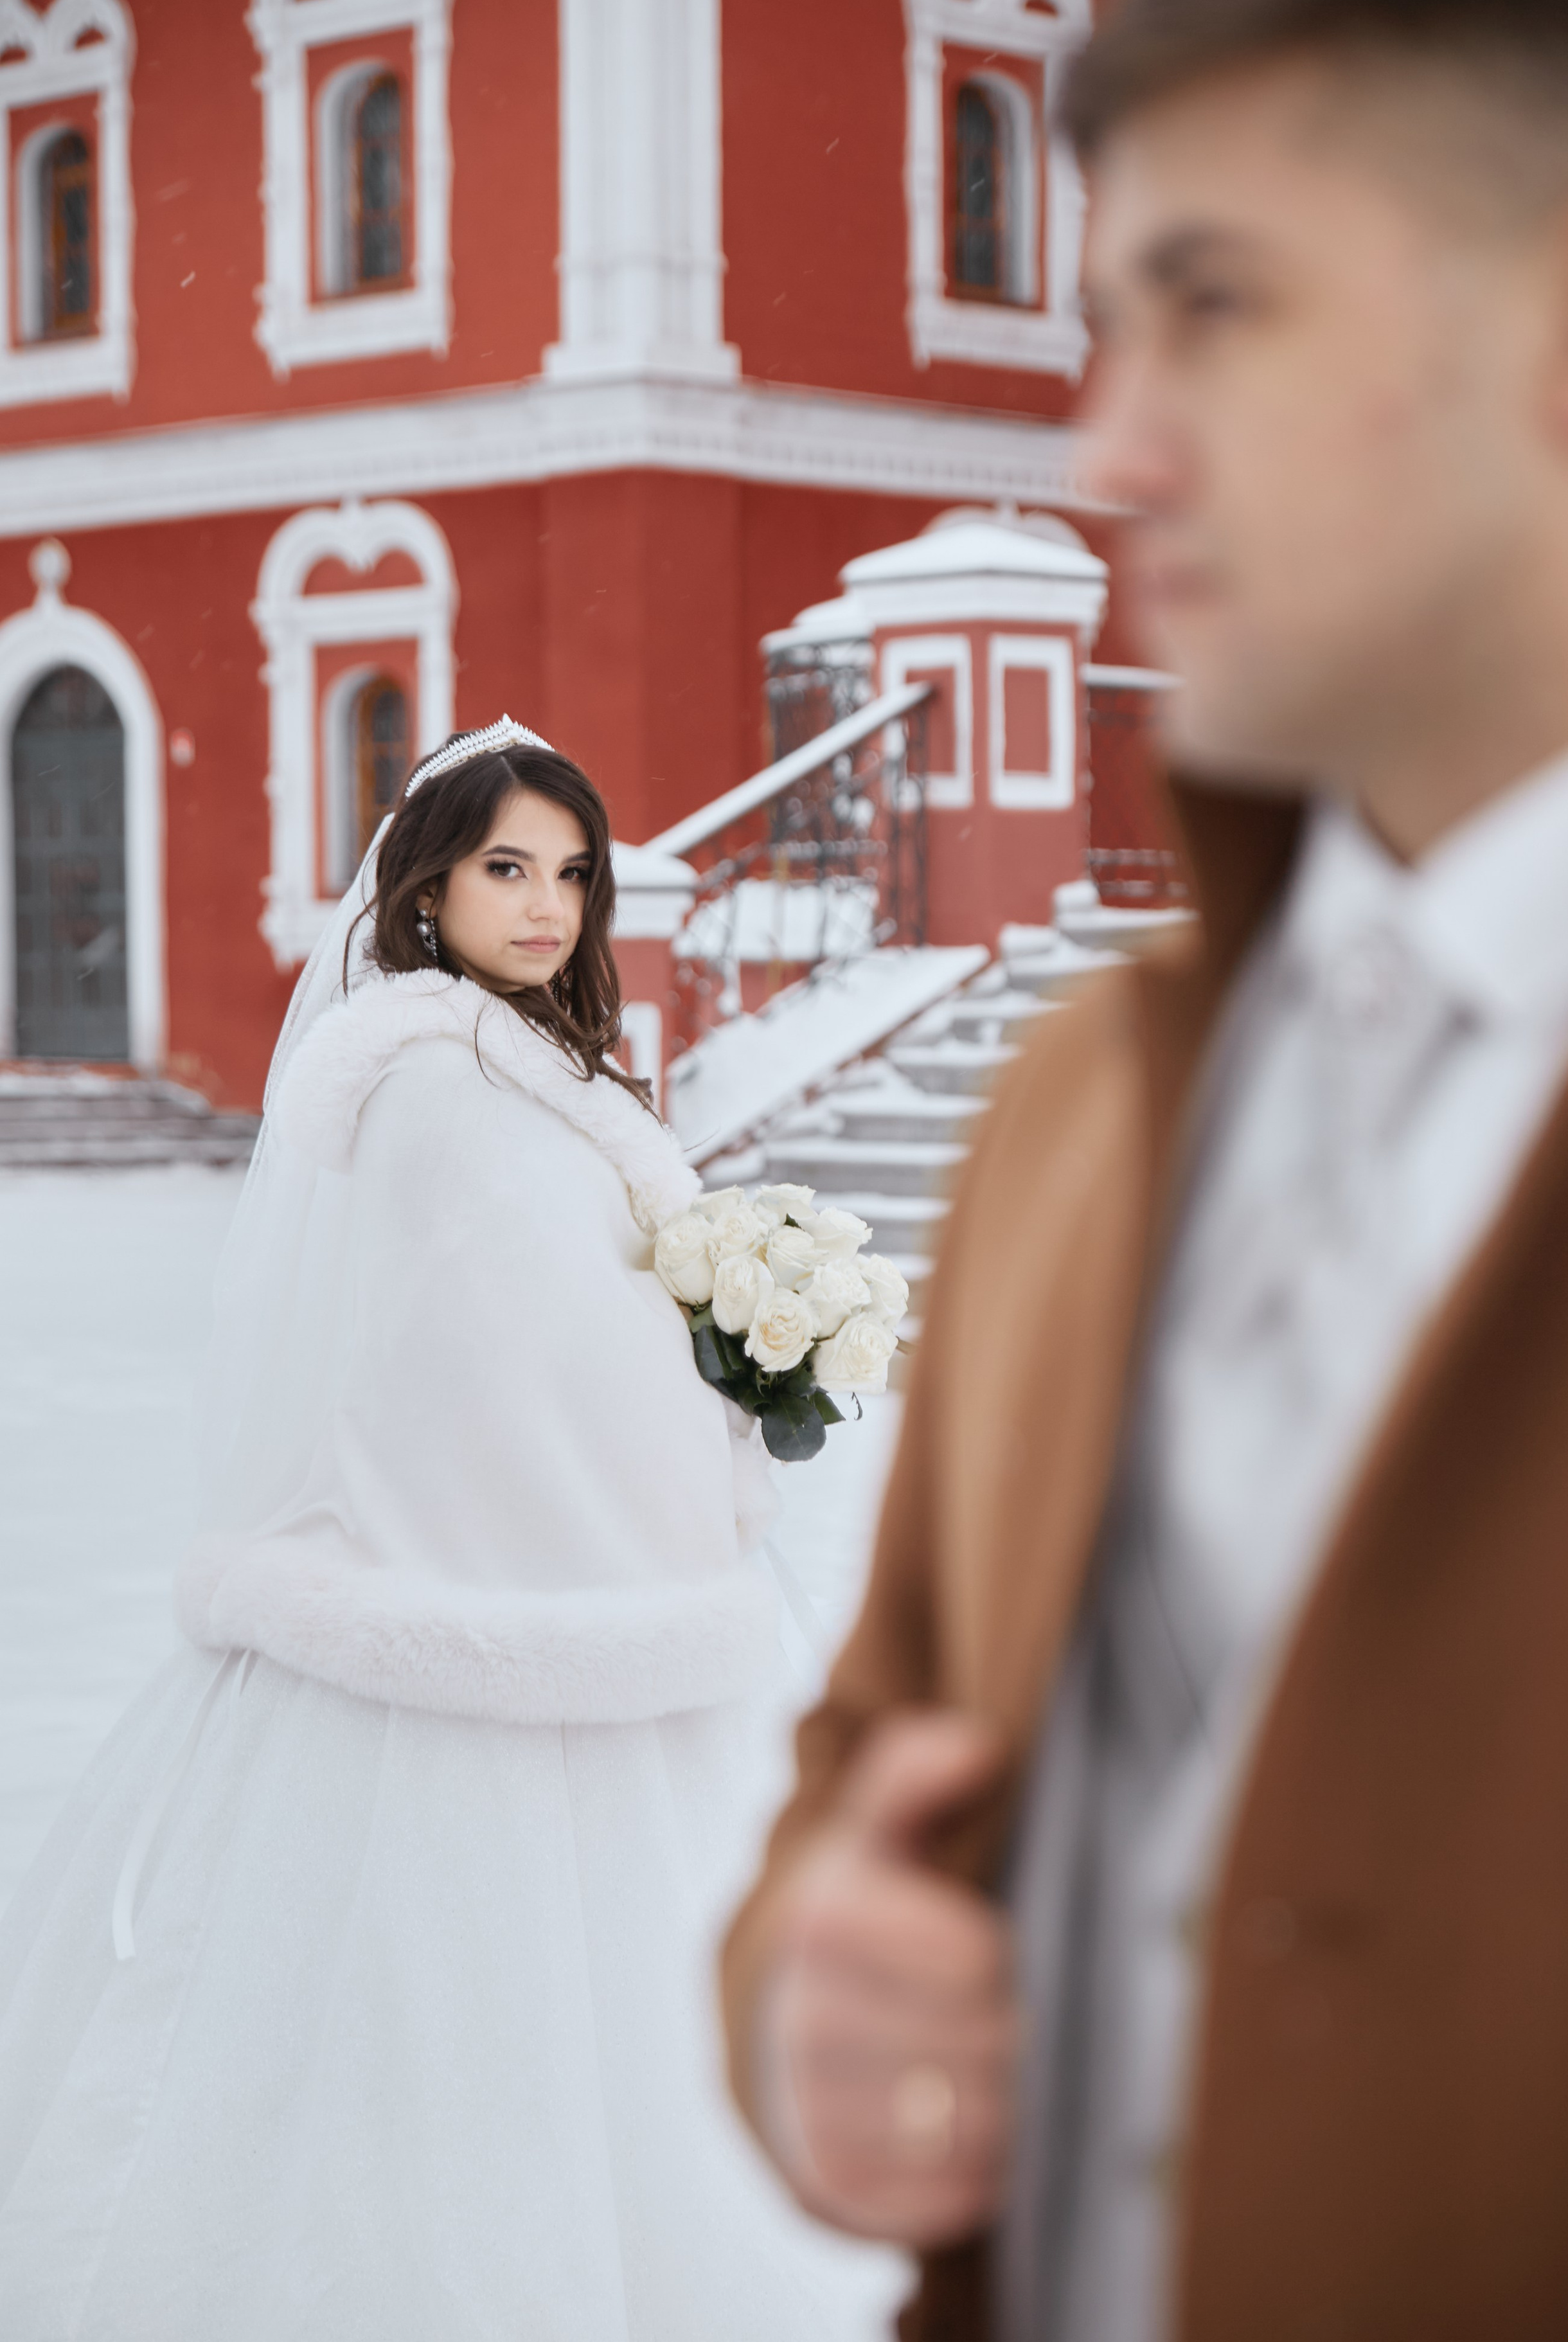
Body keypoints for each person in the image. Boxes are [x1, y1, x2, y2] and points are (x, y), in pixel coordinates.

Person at [720, 0, 1568, 2337]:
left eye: (1214, 306)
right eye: (1100, 323)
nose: (1103, 446)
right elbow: (880, 1767)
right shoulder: (1081, 1102)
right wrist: (809, 1991)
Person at [0, 719, 902, 2340]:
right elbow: (481, 1350)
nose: (545, 903)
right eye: (506, 867)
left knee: (614, 2013)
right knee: (462, 2020)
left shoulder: (538, 1065)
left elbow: (574, 1322)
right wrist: (679, 1389)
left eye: (568, 872)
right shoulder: (432, 1082)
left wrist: (734, 1341)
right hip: (504, 1581)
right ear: (429, 884)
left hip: (594, 1564)